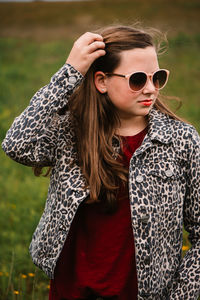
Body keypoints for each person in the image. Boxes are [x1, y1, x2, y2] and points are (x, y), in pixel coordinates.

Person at [2, 25, 200, 300]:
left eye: (158, 78)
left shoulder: (180, 141)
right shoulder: (71, 133)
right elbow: (16, 144)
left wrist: (181, 295)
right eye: (138, 79)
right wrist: (69, 73)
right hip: (71, 292)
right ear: (101, 81)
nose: (150, 89)